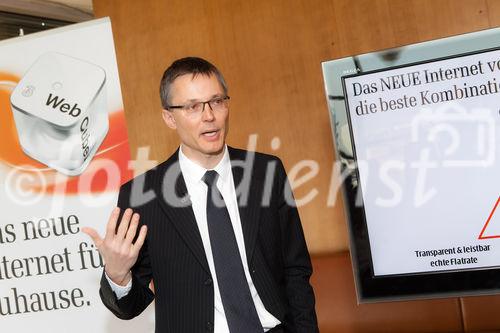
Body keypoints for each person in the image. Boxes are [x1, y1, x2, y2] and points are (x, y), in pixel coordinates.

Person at [82, 57, 318, 333]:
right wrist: (117, 274)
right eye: (193, 107)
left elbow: (296, 271)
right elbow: (130, 307)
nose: (209, 116)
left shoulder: (266, 172)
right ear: (169, 117)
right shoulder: (142, 195)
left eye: (217, 101)